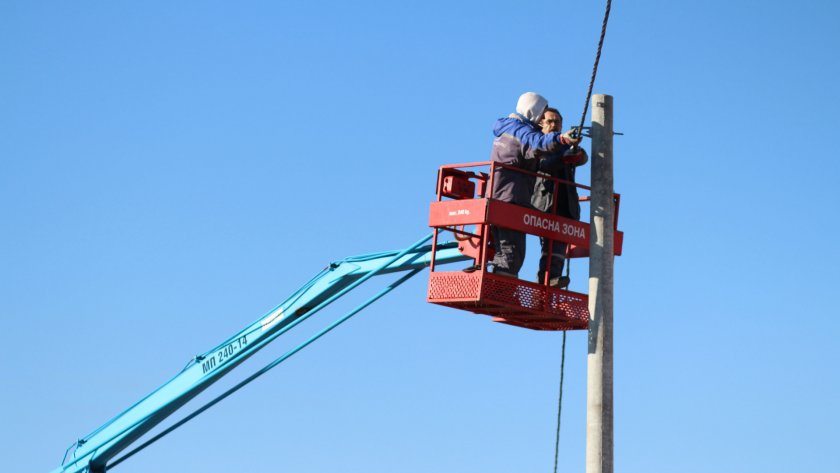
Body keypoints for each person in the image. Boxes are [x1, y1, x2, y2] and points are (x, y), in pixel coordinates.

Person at [486, 93, 580, 278]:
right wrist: (561, 139)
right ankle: (503, 293)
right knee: (511, 253)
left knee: (508, 251)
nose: (542, 117)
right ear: (533, 109)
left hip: (505, 196)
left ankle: (504, 291)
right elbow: (536, 143)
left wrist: (565, 149)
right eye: (542, 112)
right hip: (510, 197)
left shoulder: (510, 127)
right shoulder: (520, 131)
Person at [531, 107, 588, 287]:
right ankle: (544, 281)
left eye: (557, 122)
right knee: (548, 243)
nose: (554, 125)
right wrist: (563, 158)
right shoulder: (537, 143)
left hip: (565, 202)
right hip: (545, 201)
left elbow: (583, 157)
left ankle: (550, 280)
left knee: (557, 247)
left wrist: (576, 152)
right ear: (541, 124)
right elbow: (542, 165)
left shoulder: (565, 145)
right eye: (549, 121)